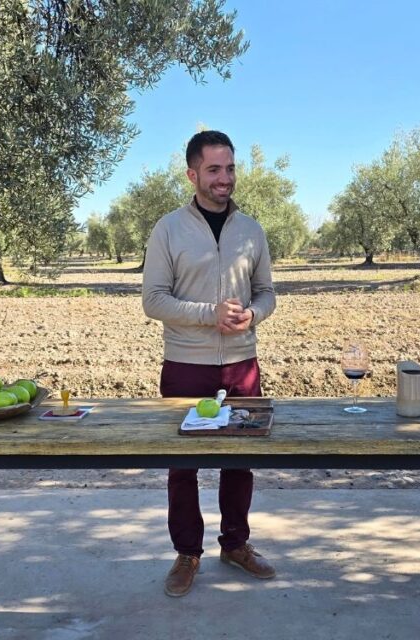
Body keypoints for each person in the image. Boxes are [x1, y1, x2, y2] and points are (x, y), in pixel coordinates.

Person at [142, 130, 277, 597]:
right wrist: (208, 316)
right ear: (193, 174)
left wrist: (253, 315)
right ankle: (187, 553)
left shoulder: (252, 230)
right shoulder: (168, 229)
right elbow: (153, 301)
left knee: (241, 461)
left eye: (231, 168)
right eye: (215, 169)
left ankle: (235, 545)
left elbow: (267, 293)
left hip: (242, 364)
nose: (225, 179)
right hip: (185, 365)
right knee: (184, 467)